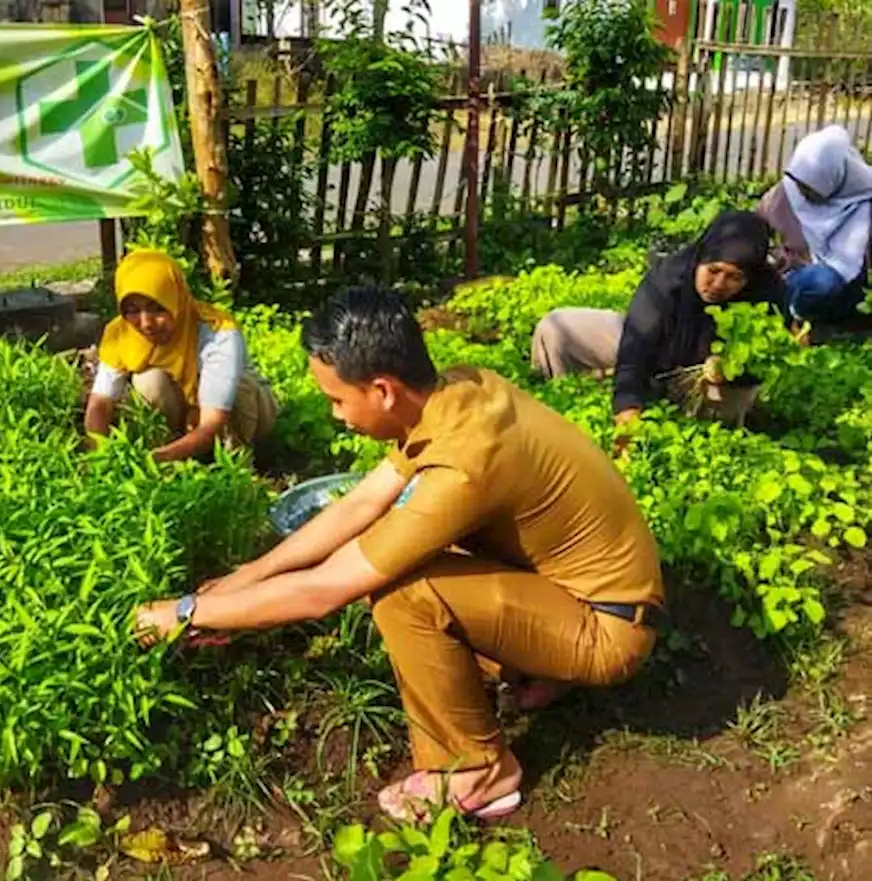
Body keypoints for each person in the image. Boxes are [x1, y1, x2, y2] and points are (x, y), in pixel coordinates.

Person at [134, 287, 664, 822]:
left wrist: (183, 613)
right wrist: (247, 577)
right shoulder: (462, 389)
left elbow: (327, 590)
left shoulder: (465, 464)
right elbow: (362, 501)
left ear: (383, 390)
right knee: (414, 548)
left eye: (337, 399)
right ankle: (538, 670)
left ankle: (481, 771)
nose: (335, 415)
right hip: (589, 593)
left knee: (403, 591)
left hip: (609, 628)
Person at [530, 211, 786, 430]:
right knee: (555, 329)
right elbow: (634, 349)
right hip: (657, 352)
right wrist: (627, 412)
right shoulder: (668, 279)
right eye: (713, 270)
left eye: (734, 277)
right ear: (700, 258)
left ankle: (681, 412)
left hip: (707, 382)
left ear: (750, 277)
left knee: (728, 404)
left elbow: (766, 362)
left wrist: (733, 370)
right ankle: (567, 401)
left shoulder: (767, 293)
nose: (718, 284)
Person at [84, 249, 277, 462]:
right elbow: (100, 402)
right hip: (188, 419)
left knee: (239, 386)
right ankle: (178, 450)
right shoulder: (120, 334)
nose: (146, 323)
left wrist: (154, 460)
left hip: (243, 416)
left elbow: (212, 423)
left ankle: (237, 461)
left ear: (175, 298)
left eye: (157, 308)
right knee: (147, 381)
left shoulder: (216, 331)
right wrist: (99, 454)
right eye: (132, 310)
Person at [758, 124, 872, 325]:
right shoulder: (784, 194)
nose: (803, 193)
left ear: (836, 178)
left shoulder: (863, 199)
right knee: (818, 281)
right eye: (800, 185)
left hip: (849, 287)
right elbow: (755, 233)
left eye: (811, 189)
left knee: (825, 281)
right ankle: (794, 315)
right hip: (792, 278)